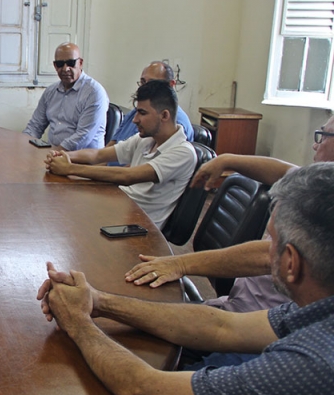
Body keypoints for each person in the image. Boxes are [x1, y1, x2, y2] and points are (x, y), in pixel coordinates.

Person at [37, 162, 334, 395]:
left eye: (270, 242)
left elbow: (144, 392)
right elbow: (224, 327)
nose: (264, 251)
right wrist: (98, 301)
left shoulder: (312, 366)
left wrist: (77, 322)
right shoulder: (319, 309)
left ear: (291, 262)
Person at [123, 115, 334, 312]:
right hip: (235, 305)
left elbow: (270, 255)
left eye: (323, 136)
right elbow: (286, 171)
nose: (315, 144)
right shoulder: (319, 184)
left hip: (257, 322)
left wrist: (180, 264)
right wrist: (227, 160)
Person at [45, 79, 196, 229]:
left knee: (66, 218)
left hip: (139, 227)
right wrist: (61, 156)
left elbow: (127, 176)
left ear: (164, 115)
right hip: (120, 208)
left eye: (142, 113)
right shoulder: (145, 139)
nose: (135, 120)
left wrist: (70, 168)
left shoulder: (183, 152)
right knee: (60, 207)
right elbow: (98, 155)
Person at [106, 61, 194, 167]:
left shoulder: (176, 121)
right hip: (107, 175)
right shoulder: (134, 113)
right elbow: (110, 147)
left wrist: (92, 173)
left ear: (171, 85)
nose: (145, 88)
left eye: (152, 83)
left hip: (121, 179)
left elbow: (134, 170)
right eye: (143, 82)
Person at [23, 42, 109, 150]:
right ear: (55, 66)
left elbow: (83, 137)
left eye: (70, 63)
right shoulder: (50, 92)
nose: (65, 69)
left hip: (82, 161)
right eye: (60, 64)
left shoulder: (94, 93)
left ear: (80, 63)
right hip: (54, 155)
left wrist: (54, 153)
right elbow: (35, 126)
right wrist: (23, 146)